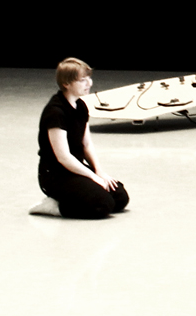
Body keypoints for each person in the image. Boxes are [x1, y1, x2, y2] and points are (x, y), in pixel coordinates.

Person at [30, 57, 129, 219]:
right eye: (82, 80)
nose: (89, 83)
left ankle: (76, 195)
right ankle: (54, 207)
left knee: (119, 198)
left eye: (89, 78)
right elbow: (63, 157)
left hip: (75, 169)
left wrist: (99, 171)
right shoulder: (55, 112)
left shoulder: (81, 106)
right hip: (55, 175)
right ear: (66, 84)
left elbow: (86, 144)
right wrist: (92, 177)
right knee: (101, 205)